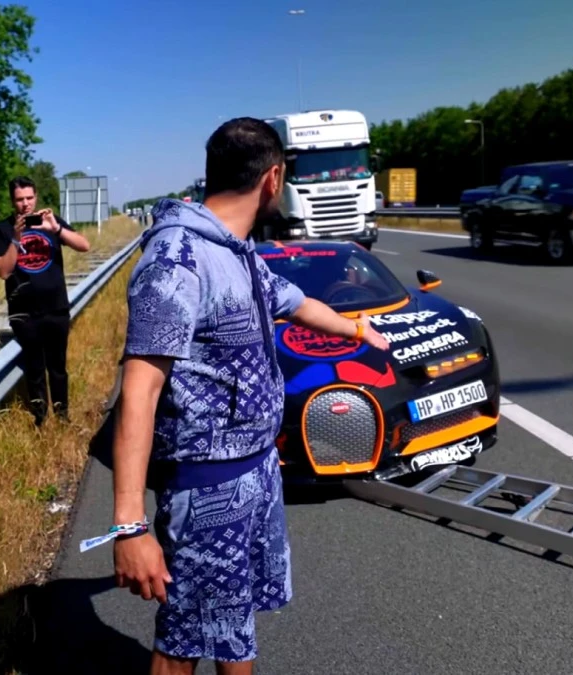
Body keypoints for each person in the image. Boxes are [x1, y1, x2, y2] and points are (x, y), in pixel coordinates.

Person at [111, 117, 390, 674]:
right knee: (183, 642)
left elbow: (297, 302)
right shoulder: (178, 261)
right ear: (274, 179)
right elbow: (138, 392)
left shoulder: (237, 251)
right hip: (207, 481)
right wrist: (129, 525)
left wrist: (361, 332)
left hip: (256, 468)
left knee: (234, 628)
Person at [0, 176, 91, 427]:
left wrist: (55, 229)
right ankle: (41, 420)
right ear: (12, 201)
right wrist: (16, 237)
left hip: (56, 307)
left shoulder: (49, 222)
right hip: (24, 313)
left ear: (36, 197)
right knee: (34, 369)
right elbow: (3, 270)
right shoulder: (2, 229)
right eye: (19, 199)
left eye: (29, 198)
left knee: (58, 367)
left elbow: (84, 245)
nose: (25, 204)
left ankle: (63, 416)